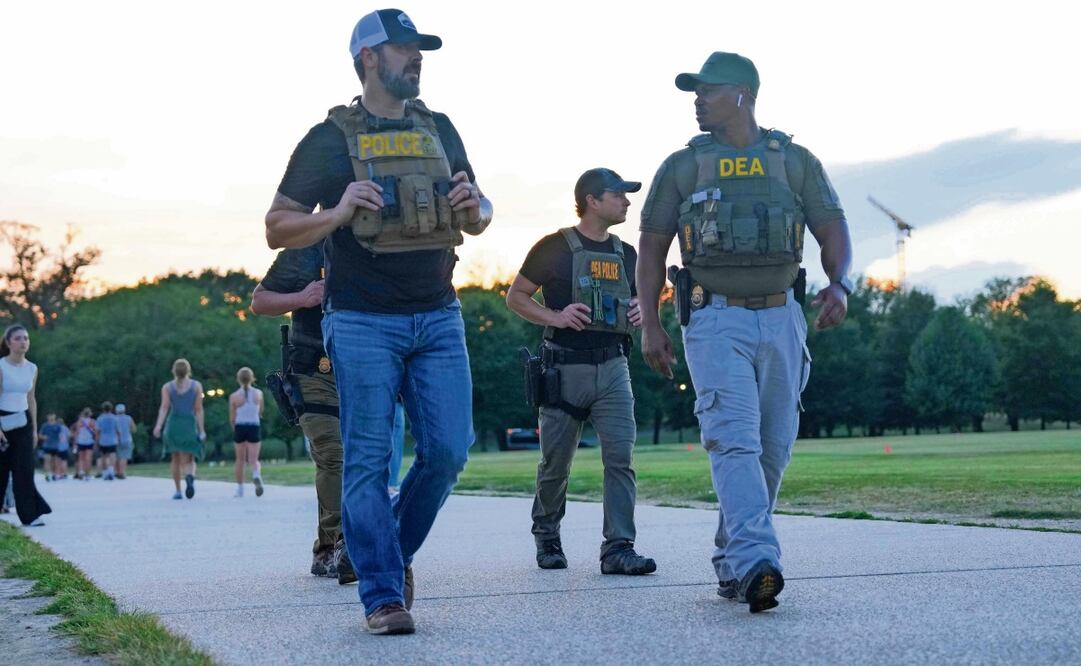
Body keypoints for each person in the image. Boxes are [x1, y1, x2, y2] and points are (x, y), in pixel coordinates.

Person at [263, 8, 493, 635]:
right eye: (403, 49)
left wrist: (478, 208)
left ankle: (384, 549)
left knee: (448, 451)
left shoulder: (439, 127)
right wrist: (336, 213)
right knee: (366, 459)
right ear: (369, 58)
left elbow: (478, 214)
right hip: (362, 320)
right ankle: (383, 595)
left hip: (439, 314)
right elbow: (276, 226)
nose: (416, 58)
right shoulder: (327, 139)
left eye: (419, 49)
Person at [637, 52, 853, 613]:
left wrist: (840, 283)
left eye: (707, 90)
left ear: (743, 94)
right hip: (713, 318)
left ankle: (733, 561)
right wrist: (651, 325)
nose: (697, 99)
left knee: (773, 447)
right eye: (695, 91)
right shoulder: (683, 166)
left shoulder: (794, 161)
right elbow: (653, 248)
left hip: (784, 315)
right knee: (733, 437)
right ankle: (760, 559)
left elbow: (832, 225)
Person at [506, 168, 656, 576]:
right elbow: (515, 297)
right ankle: (547, 534)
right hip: (563, 370)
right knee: (555, 464)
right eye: (618, 194)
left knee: (621, 459)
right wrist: (555, 314)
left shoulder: (627, 253)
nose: (626, 202)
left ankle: (618, 548)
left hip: (614, 367)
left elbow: (645, 298)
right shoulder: (553, 247)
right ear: (592, 200)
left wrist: (643, 309)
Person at [251, 245, 404, 580]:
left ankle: (327, 546)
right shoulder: (303, 250)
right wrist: (303, 297)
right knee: (333, 454)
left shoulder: (376, 246)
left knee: (363, 456)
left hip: (362, 367)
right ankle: (340, 545)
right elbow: (260, 301)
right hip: (313, 369)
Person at [0, 324, 51, 525]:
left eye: (26, 338)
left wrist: (35, 429)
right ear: (8, 342)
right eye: (18, 338)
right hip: (2, 421)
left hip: (23, 421)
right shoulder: (1, 366)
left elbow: (31, 399)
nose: (23, 342)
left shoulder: (32, 368)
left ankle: (29, 515)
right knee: (2, 469)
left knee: (24, 469)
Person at [152, 359, 206, 500]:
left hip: (173, 424)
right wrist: (201, 430)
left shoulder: (167, 387)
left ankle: (178, 491)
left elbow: (164, 407)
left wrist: (158, 426)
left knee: (175, 459)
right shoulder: (196, 386)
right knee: (189, 457)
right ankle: (189, 476)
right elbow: (198, 409)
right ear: (188, 370)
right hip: (189, 424)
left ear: (173, 371)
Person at [229, 367, 265, 498]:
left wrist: (235, 429)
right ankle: (256, 475)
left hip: (240, 427)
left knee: (240, 460)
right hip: (254, 426)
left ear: (238, 379)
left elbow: (232, 418)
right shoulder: (258, 394)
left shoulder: (234, 396)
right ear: (252, 378)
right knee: (254, 460)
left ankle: (240, 489)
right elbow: (260, 412)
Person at [95, 402, 121, 481]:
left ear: (103, 409)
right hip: (112, 440)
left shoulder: (100, 418)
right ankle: (111, 471)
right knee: (112, 455)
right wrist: (119, 439)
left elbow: (97, 431)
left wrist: (97, 441)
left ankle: (105, 472)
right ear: (111, 408)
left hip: (103, 440)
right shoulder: (115, 418)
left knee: (104, 456)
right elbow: (118, 430)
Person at [71, 407, 96, 480]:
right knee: (88, 458)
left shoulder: (79, 422)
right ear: (90, 414)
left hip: (81, 441)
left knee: (81, 458)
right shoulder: (92, 422)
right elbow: (95, 432)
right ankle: (87, 474)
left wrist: (75, 443)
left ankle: (81, 472)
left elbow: (76, 433)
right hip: (89, 441)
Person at [38, 413, 64, 481]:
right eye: (50, 416)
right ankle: (47, 474)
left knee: (55, 462)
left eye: (52, 415)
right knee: (47, 461)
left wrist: (61, 441)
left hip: (56, 446)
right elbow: (40, 435)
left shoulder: (58, 425)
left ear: (55, 416)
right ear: (47, 417)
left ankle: (54, 474)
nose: (51, 417)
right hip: (47, 446)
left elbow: (62, 434)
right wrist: (44, 437)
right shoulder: (44, 425)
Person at [115, 404, 136, 479]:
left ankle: (117, 472)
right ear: (124, 410)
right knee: (124, 457)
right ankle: (121, 472)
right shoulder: (129, 418)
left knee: (117, 457)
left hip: (116, 440)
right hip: (127, 439)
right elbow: (134, 429)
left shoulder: (114, 418)